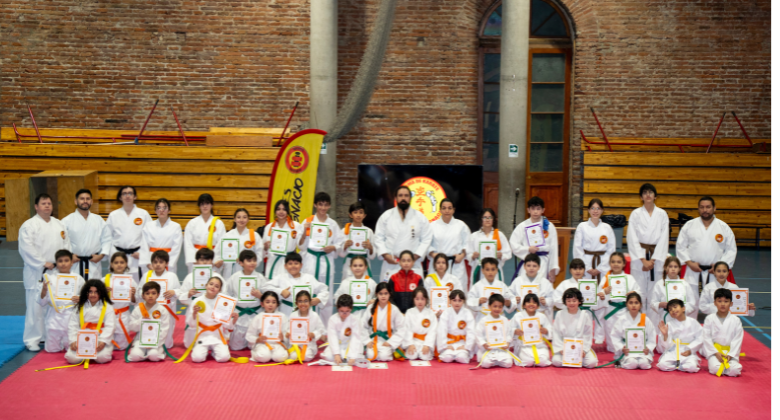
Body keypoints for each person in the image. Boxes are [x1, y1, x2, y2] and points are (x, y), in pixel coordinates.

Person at [18, 193, 71, 351]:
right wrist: (43, 263)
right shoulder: (29, 225)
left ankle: (49, 336)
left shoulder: (59, 224)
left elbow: (66, 245)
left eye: (49, 203)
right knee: (35, 307)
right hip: (37, 271)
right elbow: (26, 249)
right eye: (43, 203)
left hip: (56, 270)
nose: (47, 206)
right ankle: (32, 339)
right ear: (36, 207)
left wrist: (64, 262)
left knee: (54, 305)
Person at [676, 196, 737, 307]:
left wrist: (720, 267)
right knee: (690, 306)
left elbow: (731, 250)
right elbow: (680, 247)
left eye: (708, 207)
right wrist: (689, 263)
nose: (705, 210)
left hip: (715, 274)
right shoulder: (689, 225)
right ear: (698, 209)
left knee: (716, 307)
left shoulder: (723, 227)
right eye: (702, 207)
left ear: (714, 208)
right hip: (693, 271)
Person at [299, 192, 344, 321]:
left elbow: (340, 242)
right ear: (315, 205)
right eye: (320, 205)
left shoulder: (333, 224)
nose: (323, 208)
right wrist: (303, 232)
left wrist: (333, 247)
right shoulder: (308, 222)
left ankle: (324, 331)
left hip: (326, 261)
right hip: (310, 261)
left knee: (326, 296)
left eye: (325, 205)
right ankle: (308, 325)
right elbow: (301, 245)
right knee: (308, 293)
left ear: (329, 206)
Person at [374, 186, 433, 281]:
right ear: (396, 198)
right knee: (388, 293)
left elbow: (427, 238)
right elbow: (378, 238)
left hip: (413, 263)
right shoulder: (386, 216)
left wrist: (415, 256)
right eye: (400, 195)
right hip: (392, 262)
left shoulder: (420, 217)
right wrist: (386, 255)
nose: (403, 198)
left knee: (415, 294)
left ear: (410, 198)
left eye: (406, 196)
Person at [626, 183, 669, 311]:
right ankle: (639, 323)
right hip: (640, 258)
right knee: (638, 291)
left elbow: (664, 238)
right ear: (641, 197)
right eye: (645, 193)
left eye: (651, 192)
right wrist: (643, 260)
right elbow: (631, 238)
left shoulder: (662, 214)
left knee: (655, 293)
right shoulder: (635, 214)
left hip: (657, 257)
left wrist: (653, 259)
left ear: (655, 196)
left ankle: (654, 326)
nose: (648, 195)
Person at [181, 277, 237, 363]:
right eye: (211, 284)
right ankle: (205, 351)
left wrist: (234, 319)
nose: (213, 287)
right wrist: (194, 313)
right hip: (203, 335)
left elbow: (227, 325)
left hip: (217, 335)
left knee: (224, 358)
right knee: (197, 358)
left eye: (216, 286)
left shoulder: (223, 302)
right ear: (206, 285)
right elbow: (191, 324)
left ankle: (215, 352)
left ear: (220, 290)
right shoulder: (197, 301)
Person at [37, 250, 84, 353]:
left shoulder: (78, 279)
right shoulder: (49, 279)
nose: (63, 263)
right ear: (56, 264)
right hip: (54, 317)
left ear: (72, 262)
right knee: (51, 350)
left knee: (72, 350)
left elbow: (86, 299)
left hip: (71, 317)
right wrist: (44, 290)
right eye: (60, 261)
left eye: (66, 260)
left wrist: (81, 299)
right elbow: (41, 302)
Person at [178, 248, 226, 348]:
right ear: (196, 261)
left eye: (208, 260)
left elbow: (224, 296)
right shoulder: (190, 277)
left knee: (215, 340)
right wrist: (189, 294)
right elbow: (181, 297)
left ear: (212, 261)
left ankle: (214, 346)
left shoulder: (217, 277)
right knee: (191, 346)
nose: (204, 262)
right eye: (201, 259)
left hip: (212, 311)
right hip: (195, 310)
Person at [597, 252, 642, 353]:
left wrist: (632, 293)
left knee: (625, 332)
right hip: (610, 310)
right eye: (613, 262)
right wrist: (604, 292)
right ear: (609, 263)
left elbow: (638, 292)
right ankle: (613, 347)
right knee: (611, 334)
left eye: (619, 262)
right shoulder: (606, 278)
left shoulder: (629, 278)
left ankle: (627, 347)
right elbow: (598, 296)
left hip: (625, 310)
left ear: (624, 264)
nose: (616, 264)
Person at [62, 189, 111, 280]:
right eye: (82, 199)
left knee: (93, 290)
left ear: (91, 201)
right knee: (75, 290)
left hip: (93, 263)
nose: (85, 201)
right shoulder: (66, 221)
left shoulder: (99, 220)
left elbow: (107, 239)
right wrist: (69, 256)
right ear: (76, 201)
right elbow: (62, 241)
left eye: (88, 199)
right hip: (74, 263)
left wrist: (101, 255)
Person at [106, 186, 153, 282]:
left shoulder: (143, 214)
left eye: (130, 193)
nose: (127, 196)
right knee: (119, 284)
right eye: (124, 193)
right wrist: (113, 254)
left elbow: (150, 237)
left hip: (137, 256)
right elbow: (107, 237)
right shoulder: (113, 215)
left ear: (134, 196)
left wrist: (143, 254)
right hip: (118, 256)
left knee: (139, 285)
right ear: (120, 197)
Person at [135, 250, 181, 349]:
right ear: (151, 263)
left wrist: (174, 292)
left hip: (167, 309)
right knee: (149, 330)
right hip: (149, 309)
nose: (158, 265)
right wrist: (144, 295)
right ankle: (149, 345)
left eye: (161, 262)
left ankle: (164, 347)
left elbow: (179, 291)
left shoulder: (172, 276)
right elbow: (139, 290)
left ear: (166, 263)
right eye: (155, 262)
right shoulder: (147, 276)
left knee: (166, 336)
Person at [264, 252, 329, 320]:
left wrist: (318, 299)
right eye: (290, 264)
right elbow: (265, 287)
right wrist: (281, 291)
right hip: (287, 311)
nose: (293, 266)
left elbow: (324, 289)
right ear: (285, 266)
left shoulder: (309, 278)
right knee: (287, 329)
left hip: (305, 311)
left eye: (296, 263)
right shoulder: (281, 277)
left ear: (301, 265)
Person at [65, 280, 116, 365]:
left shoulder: (107, 307)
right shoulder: (79, 306)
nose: (93, 295)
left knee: (102, 358)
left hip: (100, 337)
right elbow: (72, 325)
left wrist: (103, 341)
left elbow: (110, 326)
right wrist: (73, 341)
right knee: (71, 358)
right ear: (86, 293)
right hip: (83, 337)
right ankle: (87, 353)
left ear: (101, 293)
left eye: (96, 292)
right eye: (90, 292)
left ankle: (91, 353)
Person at [509, 196, 559, 281]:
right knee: (526, 287)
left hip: (543, 262)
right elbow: (513, 244)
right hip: (528, 262)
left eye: (538, 209)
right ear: (528, 210)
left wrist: (553, 268)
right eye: (533, 208)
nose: (535, 211)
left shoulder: (549, 227)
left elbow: (554, 248)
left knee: (541, 288)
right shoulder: (522, 226)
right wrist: (528, 249)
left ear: (543, 210)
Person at [224, 250, 266, 351]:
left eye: (254, 260)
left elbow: (269, 298)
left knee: (258, 348)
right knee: (235, 347)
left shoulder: (260, 278)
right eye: (249, 260)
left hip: (256, 314)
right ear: (241, 263)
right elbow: (226, 295)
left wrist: (261, 296)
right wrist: (229, 312)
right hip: (240, 315)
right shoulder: (234, 277)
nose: (252, 263)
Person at [701, 289, 745, 377]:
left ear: (731, 303)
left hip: (730, 352)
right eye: (719, 301)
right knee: (715, 368)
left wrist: (731, 354)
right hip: (715, 352)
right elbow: (706, 337)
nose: (723, 304)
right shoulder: (710, 318)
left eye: (726, 301)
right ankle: (722, 366)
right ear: (715, 303)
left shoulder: (736, 320)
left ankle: (728, 367)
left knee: (735, 370)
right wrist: (715, 352)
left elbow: (738, 339)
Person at [551, 288, 598, 369]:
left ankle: (574, 359)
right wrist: (561, 349)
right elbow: (556, 333)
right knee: (556, 361)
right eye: (568, 301)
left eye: (574, 300)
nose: (571, 303)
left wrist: (584, 350)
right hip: (564, 346)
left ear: (579, 301)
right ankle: (575, 360)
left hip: (580, 346)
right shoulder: (559, 314)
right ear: (565, 302)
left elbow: (587, 334)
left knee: (591, 363)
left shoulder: (585, 315)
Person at [427, 199, 470, 285]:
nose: (447, 211)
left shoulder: (461, 225)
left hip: (455, 264)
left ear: (454, 210)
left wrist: (462, 256)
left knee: (457, 293)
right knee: (436, 292)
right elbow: (427, 243)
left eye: (450, 208)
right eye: (444, 208)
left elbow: (468, 243)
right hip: (438, 263)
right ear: (440, 210)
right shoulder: (432, 226)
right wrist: (433, 255)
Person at [608, 292, 656, 370]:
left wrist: (648, 348)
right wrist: (622, 348)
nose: (633, 305)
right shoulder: (622, 319)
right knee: (632, 364)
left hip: (642, 350)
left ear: (640, 305)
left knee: (644, 365)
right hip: (627, 349)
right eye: (631, 303)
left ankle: (638, 360)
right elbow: (615, 336)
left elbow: (652, 336)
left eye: (636, 303)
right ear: (627, 304)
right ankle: (621, 361)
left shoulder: (644, 319)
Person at [127, 282, 171, 362]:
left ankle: (153, 352)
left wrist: (154, 343)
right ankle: (143, 354)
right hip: (140, 339)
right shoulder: (138, 309)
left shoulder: (162, 310)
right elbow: (131, 326)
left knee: (153, 355)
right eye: (147, 293)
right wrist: (141, 320)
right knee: (135, 356)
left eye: (153, 293)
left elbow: (164, 329)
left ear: (158, 295)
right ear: (143, 295)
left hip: (156, 341)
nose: (150, 296)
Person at [573, 198, 615, 283]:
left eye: (598, 208)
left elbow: (611, 250)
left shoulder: (607, 228)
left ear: (602, 210)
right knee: (586, 290)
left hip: (603, 262)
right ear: (588, 210)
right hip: (586, 262)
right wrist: (587, 267)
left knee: (602, 290)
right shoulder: (582, 226)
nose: (595, 211)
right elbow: (577, 248)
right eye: (592, 208)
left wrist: (601, 268)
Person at [467, 208, 511, 288]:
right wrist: (473, 256)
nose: (487, 220)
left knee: (495, 293)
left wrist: (501, 255)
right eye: (485, 217)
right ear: (481, 219)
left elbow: (508, 253)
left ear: (493, 220)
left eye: (490, 217)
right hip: (479, 269)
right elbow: (468, 253)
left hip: (494, 270)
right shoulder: (474, 236)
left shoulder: (499, 235)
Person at [215, 208, 264, 279]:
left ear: (248, 219)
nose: (241, 220)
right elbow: (218, 253)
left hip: (247, 271)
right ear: (234, 219)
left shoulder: (254, 235)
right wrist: (219, 261)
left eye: (244, 217)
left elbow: (259, 254)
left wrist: (250, 263)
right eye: (238, 217)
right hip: (229, 271)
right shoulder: (227, 236)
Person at [361, 282, 406, 361]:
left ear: (390, 294)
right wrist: (367, 341)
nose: (383, 296)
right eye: (380, 293)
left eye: (386, 293)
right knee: (371, 355)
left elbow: (401, 328)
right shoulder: (371, 308)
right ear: (376, 294)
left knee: (384, 357)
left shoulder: (394, 309)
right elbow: (362, 326)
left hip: (387, 339)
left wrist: (391, 342)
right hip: (373, 339)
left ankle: (389, 350)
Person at [656, 299, 702, 373]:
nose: (673, 310)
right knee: (662, 365)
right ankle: (679, 365)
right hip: (673, 351)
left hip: (687, 350)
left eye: (675, 307)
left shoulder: (693, 322)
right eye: (670, 309)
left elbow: (700, 338)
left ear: (683, 308)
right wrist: (665, 335)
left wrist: (690, 349)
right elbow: (667, 345)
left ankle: (679, 365)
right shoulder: (669, 324)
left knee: (691, 366)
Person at [101, 252, 137, 350]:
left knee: (122, 347)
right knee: (106, 344)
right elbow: (97, 300)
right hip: (108, 314)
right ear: (111, 264)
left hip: (123, 314)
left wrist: (133, 294)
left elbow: (135, 302)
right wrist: (102, 293)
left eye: (122, 262)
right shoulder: (105, 280)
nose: (119, 265)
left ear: (126, 264)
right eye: (116, 262)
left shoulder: (131, 281)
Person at [139, 198, 183, 277]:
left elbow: (176, 248)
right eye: (159, 208)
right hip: (152, 262)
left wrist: (167, 263)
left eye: (164, 208)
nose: (161, 210)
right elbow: (144, 246)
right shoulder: (148, 226)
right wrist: (148, 263)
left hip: (167, 262)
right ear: (155, 211)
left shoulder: (176, 226)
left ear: (169, 210)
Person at [262, 199, 305, 280]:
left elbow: (301, 245)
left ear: (288, 211)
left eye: (284, 209)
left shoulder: (296, 226)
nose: (281, 212)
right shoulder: (269, 227)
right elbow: (263, 250)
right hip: (273, 261)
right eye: (278, 209)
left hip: (289, 262)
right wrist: (265, 246)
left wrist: (304, 234)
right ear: (275, 211)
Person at [184, 193, 226, 274]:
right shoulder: (192, 223)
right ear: (199, 206)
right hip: (197, 260)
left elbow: (221, 243)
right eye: (202, 204)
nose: (205, 206)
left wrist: (215, 260)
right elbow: (188, 244)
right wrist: (194, 259)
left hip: (213, 260)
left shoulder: (219, 223)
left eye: (207, 203)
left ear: (212, 205)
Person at [650, 256, 697, 326]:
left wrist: (681, 310)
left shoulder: (685, 284)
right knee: (667, 335)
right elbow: (653, 302)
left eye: (675, 267)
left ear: (679, 269)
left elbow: (692, 303)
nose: (673, 269)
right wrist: (660, 304)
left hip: (682, 317)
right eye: (670, 266)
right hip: (666, 316)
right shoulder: (659, 284)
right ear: (666, 268)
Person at [510, 293, 552, 367]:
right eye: (528, 302)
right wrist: (515, 331)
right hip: (523, 345)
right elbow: (509, 328)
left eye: (534, 302)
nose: (531, 304)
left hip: (539, 345)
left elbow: (550, 329)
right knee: (528, 362)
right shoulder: (518, 316)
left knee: (543, 361)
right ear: (523, 305)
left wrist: (546, 330)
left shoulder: (542, 316)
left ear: (538, 306)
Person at [474, 294, 515, 369]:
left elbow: (509, 334)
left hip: (501, 349)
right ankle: (494, 360)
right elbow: (478, 335)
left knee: (508, 363)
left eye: (500, 307)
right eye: (495, 306)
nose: (497, 309)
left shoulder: (504, 320)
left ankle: (496, 360)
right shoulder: (484, 320)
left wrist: (507, 343)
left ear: (503, 307)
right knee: (486, 364)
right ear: (489, 306)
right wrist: (483, 344)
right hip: (488, 349)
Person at [338, 202, 376, 280]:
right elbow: (340, 254)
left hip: (364, 263)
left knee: (364, 288)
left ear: (364, 215)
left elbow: (372, 256)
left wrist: (370, 248)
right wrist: (344, 246)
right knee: (348, 288)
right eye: (355, 212)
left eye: (361, 212)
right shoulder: (344, 231)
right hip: (349, 263)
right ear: (350, 215)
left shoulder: (369, 231)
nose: (358, 215)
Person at [246, 291, 288, 363]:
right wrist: (258, 339)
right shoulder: (258, 317)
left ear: (277, 304)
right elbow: (249, 335)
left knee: (281, 357)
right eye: (267, 302)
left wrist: (283, 337)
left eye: (273, 302)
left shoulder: (282, 317)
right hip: (262, 343)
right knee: (263, 357)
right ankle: (255, 353)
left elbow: (288, 332)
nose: (270, 305)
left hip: (277, 343)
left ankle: (273, 354)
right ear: (262, 304)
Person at [322, 295, 364, 365]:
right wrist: (336, 354)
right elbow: (332, 337)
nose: (344, 314)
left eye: (347, 311)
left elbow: (355, 338)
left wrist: (352, 357)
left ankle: (347, 357)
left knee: (355, 357)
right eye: (342, 311)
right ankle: (341, 356)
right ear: (337, 309)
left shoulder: (355, 320)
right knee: (329, 356)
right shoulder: (332, 319)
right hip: (337, 344)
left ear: (351, 309)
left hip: (350, 344)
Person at [510, 254, 554, 321]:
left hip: (539, 316)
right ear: (524, 266)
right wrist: (514, 299)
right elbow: (509, 295)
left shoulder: (545, 282)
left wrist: (545, 301)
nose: (531, 268)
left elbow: (552, 298)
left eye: (534, 266)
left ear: (539, 267)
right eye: (528, 265)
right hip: (521, 316)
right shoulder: (517, 281)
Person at [285, 290, 326, 362]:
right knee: (293, 356)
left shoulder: (314, 315)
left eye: (306, 301)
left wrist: (313, 334)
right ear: (296, 303)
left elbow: (321, 329)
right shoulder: (293, 315)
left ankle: (304, 354)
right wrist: (288, 333)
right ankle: (296, 354)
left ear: (310, 302)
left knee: (306, 357)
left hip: (308, 344)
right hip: (296, 343)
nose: (303, 303)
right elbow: (289, 328)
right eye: (300, 301)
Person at [436, 289, 474, 364]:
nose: (457, 303)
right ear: (449, 301)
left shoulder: (467, 313)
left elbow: (471, 331)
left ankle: (461, 353)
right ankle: (449, 353)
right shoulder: (446, 313)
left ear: (463, 301)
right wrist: (444, 345)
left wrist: (467, 346)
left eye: (460, 300)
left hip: (462, 343)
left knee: (462, 358)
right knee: (447, 358)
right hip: (449, 342)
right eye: (454, 300)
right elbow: (442, 330)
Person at [401, 287, 437, 361]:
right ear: (413, 300)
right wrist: (410, 344)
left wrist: (427, 345)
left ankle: (426, 348)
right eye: (417, 299)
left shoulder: (431, 314)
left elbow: (433, 331)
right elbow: (406, 329)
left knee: (425, 357)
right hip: (413, 341)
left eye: (422, 299)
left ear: (426, 299)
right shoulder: (409, 312)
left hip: (425, 342)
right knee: (411, 356)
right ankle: (411, 347)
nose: (420, 301)